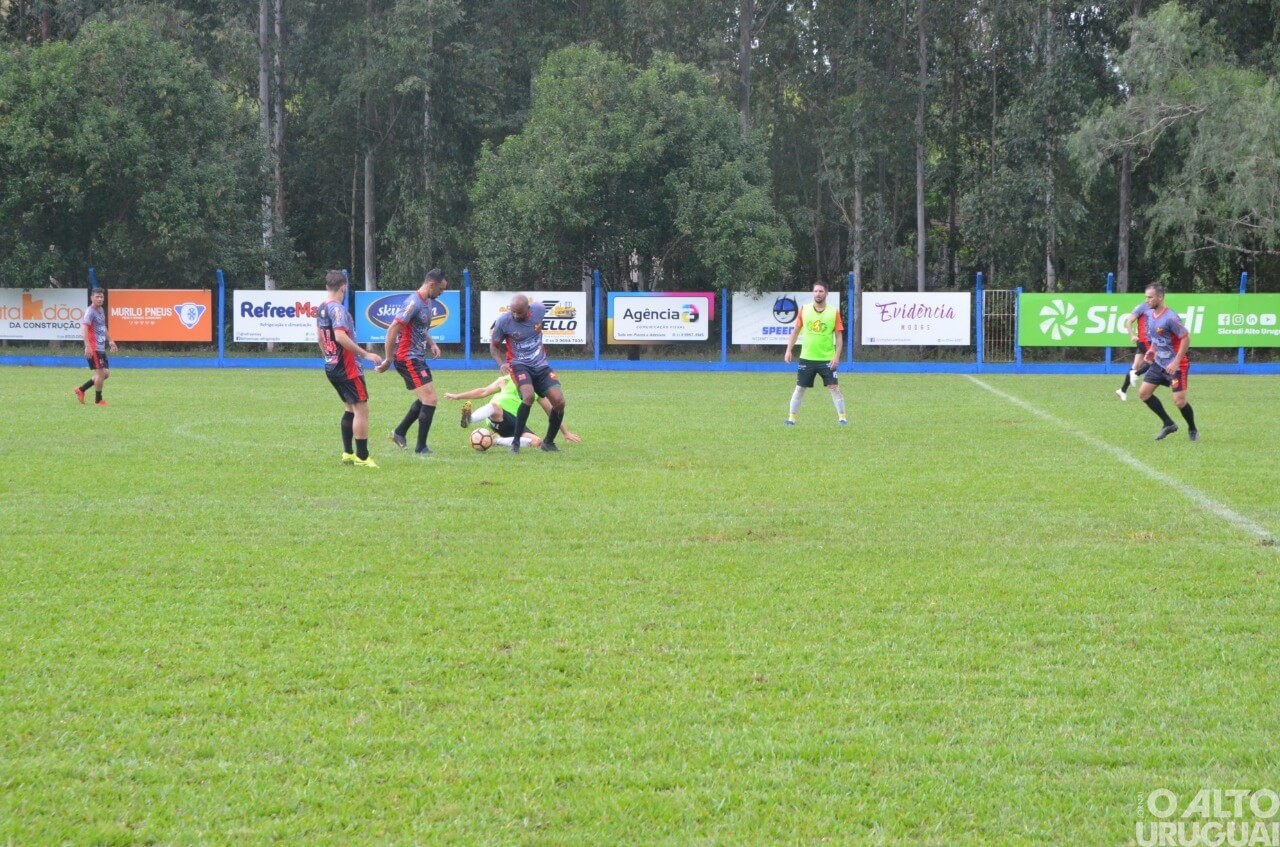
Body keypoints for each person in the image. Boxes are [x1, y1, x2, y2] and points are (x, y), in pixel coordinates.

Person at [376, 268, 447, 457]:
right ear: (431, 284)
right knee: (430, 399)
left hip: (417, 357)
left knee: (426, 398)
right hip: (407, 358)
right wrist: (388, 358)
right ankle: (421, 448)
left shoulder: (426, 301)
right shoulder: (413, 302)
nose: (442, 293)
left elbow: (420, 327)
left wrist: (432, 343)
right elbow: (393, 329)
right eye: (441, 289)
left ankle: (399, 433)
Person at [316, 270, 384, 466]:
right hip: (347, 367)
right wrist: (366, 354)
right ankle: (362, 457)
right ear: (343, 287)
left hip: (332, 365)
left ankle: (347, 453)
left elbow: (320, 337)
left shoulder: (321, 308)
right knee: (362, 410)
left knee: (350, 408)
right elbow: (340, 336)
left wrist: (328, 356)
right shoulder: (338, 310)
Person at [489, 293, 566, 453]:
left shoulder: (539, 310)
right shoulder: (504, 321)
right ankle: (515, 443)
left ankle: (549, 443)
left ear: (528, 309)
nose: (516, 315)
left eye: (520, 312)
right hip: (519, 365)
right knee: (528, 396)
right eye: (513, 312)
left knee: (559, 402)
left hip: (541, 366)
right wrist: (502, 363)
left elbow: (543, 303)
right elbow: (494, 346)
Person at [444, 372, 580, 449]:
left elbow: (551, 411)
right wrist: (458, 396)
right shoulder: (504, 380)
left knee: (537, 442)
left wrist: (565, 432)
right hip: (498, 417)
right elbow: (483, 391)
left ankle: (497, 440)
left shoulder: (534, 387)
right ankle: (470, 419)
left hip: (515, 423)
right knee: (495, 407)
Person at [1135, 283, 1199, 442]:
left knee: (1179, 401)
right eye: (1146, 297)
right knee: (1144, 394)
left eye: (1150, 297)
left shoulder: (1170, 317)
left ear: (1160, 297)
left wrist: (1176, 361)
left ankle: (1192, 428)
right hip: (1159, 363)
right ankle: (1168, 423)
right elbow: (1157, 338)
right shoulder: (1150, 315)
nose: (1147, 300)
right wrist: (1152, 350)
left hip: (1176, 365)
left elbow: (1186, 338)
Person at [783, 282, 846, 425]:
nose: (818, 294)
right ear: (813, 293)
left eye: (821, 291)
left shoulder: (833, 311)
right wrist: (788, 350)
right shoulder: (804, 310)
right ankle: (791, 418)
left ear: (826, 293)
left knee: (834, 388)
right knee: (800, 388)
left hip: (827, 359)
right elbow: (796, 331)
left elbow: (839, 337)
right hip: (807, 358)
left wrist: (836, 357)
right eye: (816, 291)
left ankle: (842, 418)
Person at [75, 287, 117, 406]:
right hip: (93, 347)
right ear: (91, 298)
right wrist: (87, 346)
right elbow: (84, 328)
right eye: (97, 297)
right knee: (101, 374)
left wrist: (110, 340)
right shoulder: (90, 311)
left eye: (101, 297)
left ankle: (81, 389)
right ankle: (98, 400)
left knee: (105, 374)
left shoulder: (101, 310)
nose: (99, 299)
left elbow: (102, 328)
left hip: (100, 347)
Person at [1116, 301, 1152, 401]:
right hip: (1145, 340)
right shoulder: (1142, 307)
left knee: (1136, 366)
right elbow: (1129, 321)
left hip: (1151, 340)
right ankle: (1135, 374)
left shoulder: (1158, 308)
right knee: (1155, 362)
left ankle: (1122, 390)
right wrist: (1132, 335)